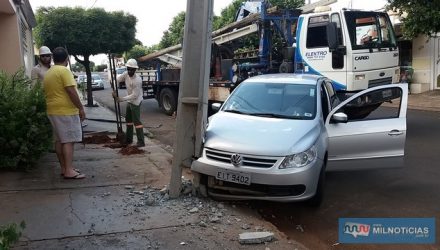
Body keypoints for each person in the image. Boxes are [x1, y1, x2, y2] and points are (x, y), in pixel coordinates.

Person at [43, 47, 86, 179]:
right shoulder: (64, 71)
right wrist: (81, 108)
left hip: (52, 110)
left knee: (59, 140)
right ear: (67, 59)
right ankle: (68, 170)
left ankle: (64, 168)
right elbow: (71, 91)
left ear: (53, 58)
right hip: (65, 111)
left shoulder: (49, 72)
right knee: (68, 140)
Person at [113, 58, 145, 147]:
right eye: (128, 69)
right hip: (129, 100)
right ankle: (129, 139)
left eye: (132, 69)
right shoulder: (126, 74)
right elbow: (117, 79)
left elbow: (135, 95)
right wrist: (115, 90)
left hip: (136, 101)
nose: (130, 71)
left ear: (135, 69)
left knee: (137, 122)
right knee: (128, 121)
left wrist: (121, 99)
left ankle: (141, 141)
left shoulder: (138, 80)